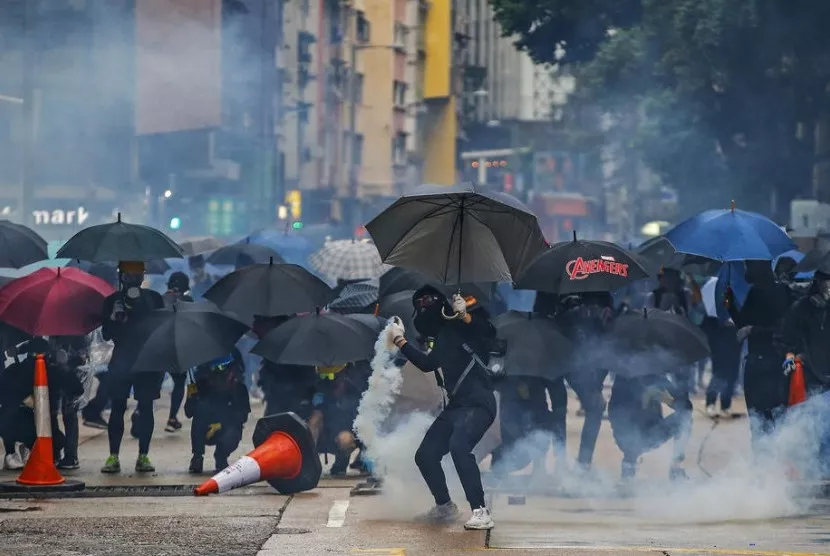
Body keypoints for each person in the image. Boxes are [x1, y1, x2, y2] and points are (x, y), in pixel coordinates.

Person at [389, 285, 496, 531]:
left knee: (459, 447)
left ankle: (480, 510)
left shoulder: (462, 325)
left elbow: (487, 331)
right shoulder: (443, 335)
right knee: (425, 455)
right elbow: (431, 359)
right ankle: (445, 506)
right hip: (457, 406)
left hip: (479, 404)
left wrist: (465, 315)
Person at [100, 261, 165, 474]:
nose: (133, 278)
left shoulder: (153, 299)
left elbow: (161, 327)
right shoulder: (112, 301)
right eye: (129, 274)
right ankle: (113, 456)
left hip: (147, 361)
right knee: (118, 407)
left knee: (145, 407)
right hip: (122, 360)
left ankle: (143, 455)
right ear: (122, 276)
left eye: (138, 274)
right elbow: (107, 334)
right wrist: (113, 317)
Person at [730, 261, 792, 455]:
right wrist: (730, 304)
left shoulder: (783, 293)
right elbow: (742, 323)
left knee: (776, 418)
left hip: (775, 364)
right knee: (758, 421)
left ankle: (776, 463)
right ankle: (762, 466)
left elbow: (785, 329)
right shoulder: (755, 293)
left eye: (751, 266)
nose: (748, 270)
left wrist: (754, 330)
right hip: (757, 363)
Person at [608, 372, 692, 480]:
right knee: (630, 437)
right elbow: (615, 415)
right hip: (628, 437)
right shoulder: (623, 381)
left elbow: (687, 407)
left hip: (652, 433)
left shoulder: (656, 377)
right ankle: (629, 466)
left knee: (684, 419)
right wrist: (644, 401)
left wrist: (669, 401)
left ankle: (676, 467)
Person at [185, 350, 250, 473]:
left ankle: (221, 457)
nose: (218, 372)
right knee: (198, 419)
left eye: (221, 368)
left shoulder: (238, 387)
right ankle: (197, 456)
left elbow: (242, 416)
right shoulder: (202, 385)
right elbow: (189, 413)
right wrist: (191, 396)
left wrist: (221, 425)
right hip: (206, 428)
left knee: (232, 433)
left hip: (227, 429)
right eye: (214, 368)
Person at [161, 271, 193, 432]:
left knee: (152, 384)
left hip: (158, 348)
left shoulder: (161, 299)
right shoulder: (188, 301)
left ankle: (139, 414)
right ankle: (172, 417)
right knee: (180, 383)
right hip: (178, 350)